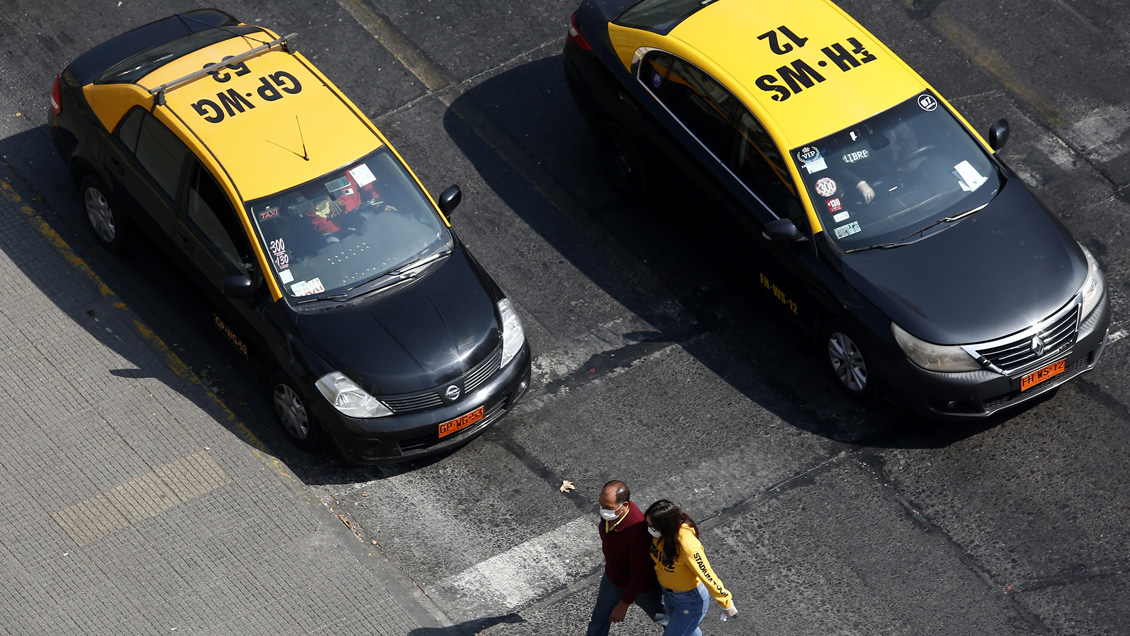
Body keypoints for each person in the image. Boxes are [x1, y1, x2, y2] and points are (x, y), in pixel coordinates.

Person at [645, 500, 737, 636]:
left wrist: (726, 602)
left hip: (689, 602)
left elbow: (707, 574)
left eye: (653, 526)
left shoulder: (686, 545)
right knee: (690, 632)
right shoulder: (662, 536)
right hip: (669, 595)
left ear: (666, 525)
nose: (650, 528)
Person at [586, 481, 665, 636]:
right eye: (601, 505)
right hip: (613, 577)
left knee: (666, 619)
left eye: (608, 508)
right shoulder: (612, 516)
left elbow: (640, 574)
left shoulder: (637, 531)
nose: (603, 511)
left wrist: (624, 604)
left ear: (625, 505)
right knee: (599, 619)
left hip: (642, 588)